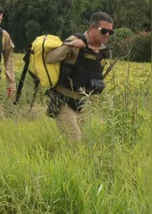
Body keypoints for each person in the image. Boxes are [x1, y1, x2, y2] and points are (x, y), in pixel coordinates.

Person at [44, 12, 113, 142]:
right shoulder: (75, 41)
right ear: (92, 28)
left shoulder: (102, 51)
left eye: (110, 32)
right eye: (104, 31)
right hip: (62, 100)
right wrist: (69, 46)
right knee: (74, 139)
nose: (107, 35)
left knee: (83, 138)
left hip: (82, 103)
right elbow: (50, 58)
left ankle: (55, 154)